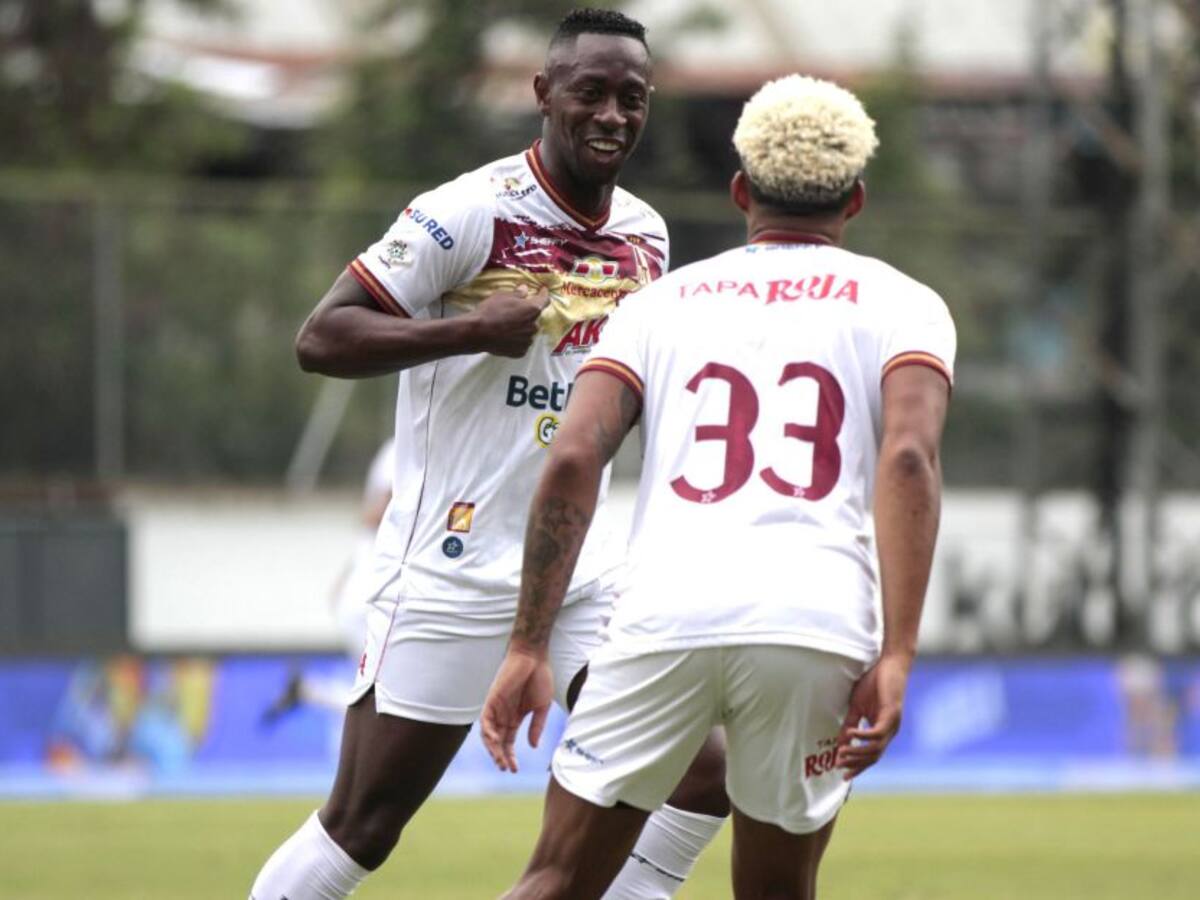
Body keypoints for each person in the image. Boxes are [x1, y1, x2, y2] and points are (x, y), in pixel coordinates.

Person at [250, 10, 727, 900]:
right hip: (449, 571)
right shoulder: (466, 211)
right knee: (361, 830)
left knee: (701, 774)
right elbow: (321, 338)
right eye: (590, 92)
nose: (613, 115)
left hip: (579, 574)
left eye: (633, 98)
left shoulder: (648, 237)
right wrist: (470, 328)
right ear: (543, 94)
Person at [482, 73, 956, 899]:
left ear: (740, 190)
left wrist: (528, 644)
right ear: (856, 200)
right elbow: (909, 460)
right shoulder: (907, 305)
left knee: (555, 880)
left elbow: (570, 460)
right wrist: (900, 653)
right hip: (813, 623)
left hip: (662, 615)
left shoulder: (656, 305)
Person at [261, 439, 396, 725]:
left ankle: (310, 692)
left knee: (382, 695)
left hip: (364, 596)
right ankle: (311, 693)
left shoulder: (396, 447)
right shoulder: (403, 448)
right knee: (385, 698)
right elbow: (382, 510)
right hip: (371, 600)